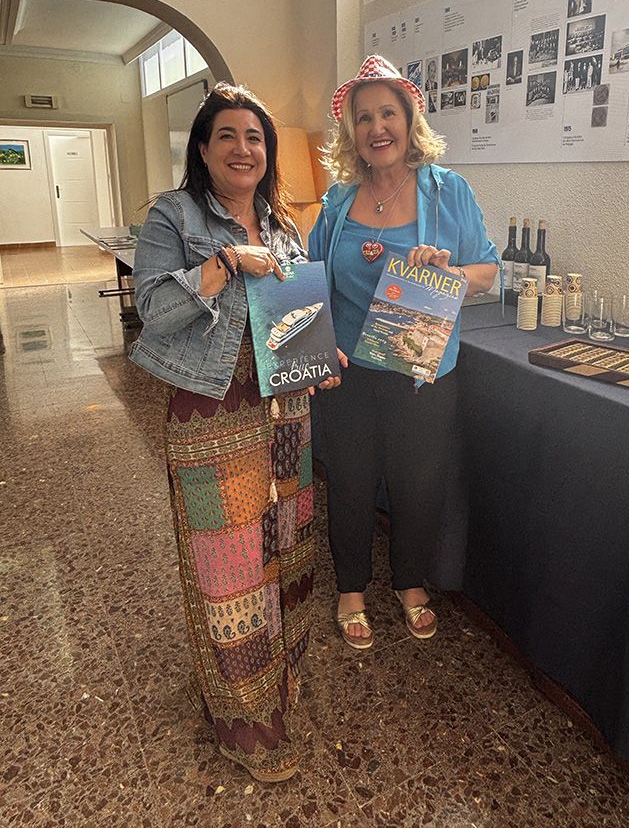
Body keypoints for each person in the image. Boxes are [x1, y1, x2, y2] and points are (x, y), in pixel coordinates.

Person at [129, 82, 343, 782]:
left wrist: (322, 355)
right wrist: (224, 264)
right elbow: (153, 308)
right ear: (203, 148)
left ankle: (282, 679)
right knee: (231, 570)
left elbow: (296, 319)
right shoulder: (174, 215)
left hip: (286, 412)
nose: (243, 148)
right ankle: (245, 721)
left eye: (255, 137)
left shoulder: (283, 225)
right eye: (227, 135)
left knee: (287, 550)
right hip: (212, 414)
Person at [308, 55, 498, 650]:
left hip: (422, 370)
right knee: (351, 482)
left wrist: (449, 274)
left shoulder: (449, 191)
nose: (377, 127)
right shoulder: (337, 202)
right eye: (363, 117)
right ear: (352, 130)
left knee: (419, 482)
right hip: (349, 372)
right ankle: (351, 589)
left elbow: (488, 269)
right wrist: (314, 348)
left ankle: (410, 583)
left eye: (387, 113)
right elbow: (311, 278)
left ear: (410, 121)